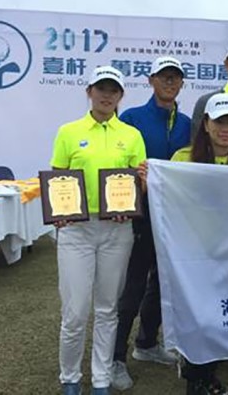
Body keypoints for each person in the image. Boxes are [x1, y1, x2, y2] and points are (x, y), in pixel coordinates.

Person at [141, 93, 228, 395]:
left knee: (217, 318)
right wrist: (150, 179)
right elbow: (166, 201)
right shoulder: (182, 159)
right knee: (197, 318)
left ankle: (204, 377)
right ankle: (198, 379)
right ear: (206, 124)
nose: (225, 129)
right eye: (219, 122)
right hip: (190, 255)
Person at [50, 66, 147, 395]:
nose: (107, 95)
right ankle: (70, 377)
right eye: (101, 89)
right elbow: (58, 177)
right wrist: (60, 210)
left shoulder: (131, 135)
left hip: (117, 231)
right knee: (75, 312)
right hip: (76, 231)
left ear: (121, 95)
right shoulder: (68, 131)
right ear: (89, 91)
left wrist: (132, 199)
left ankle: (101, 379)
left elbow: (138, 182)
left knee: (107, 308)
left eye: (113, 90)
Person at [111, 57, 191, 390]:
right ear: (151, 80)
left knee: (162, 284)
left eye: (175, 78)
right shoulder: (131, 118)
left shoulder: (188, 123)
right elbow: (117, 163)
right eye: (163, 77)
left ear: (182, 83)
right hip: (139, 216)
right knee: (132, 287)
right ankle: (115, 358)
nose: (169, 82)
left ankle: (146, 343)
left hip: (175, 218)